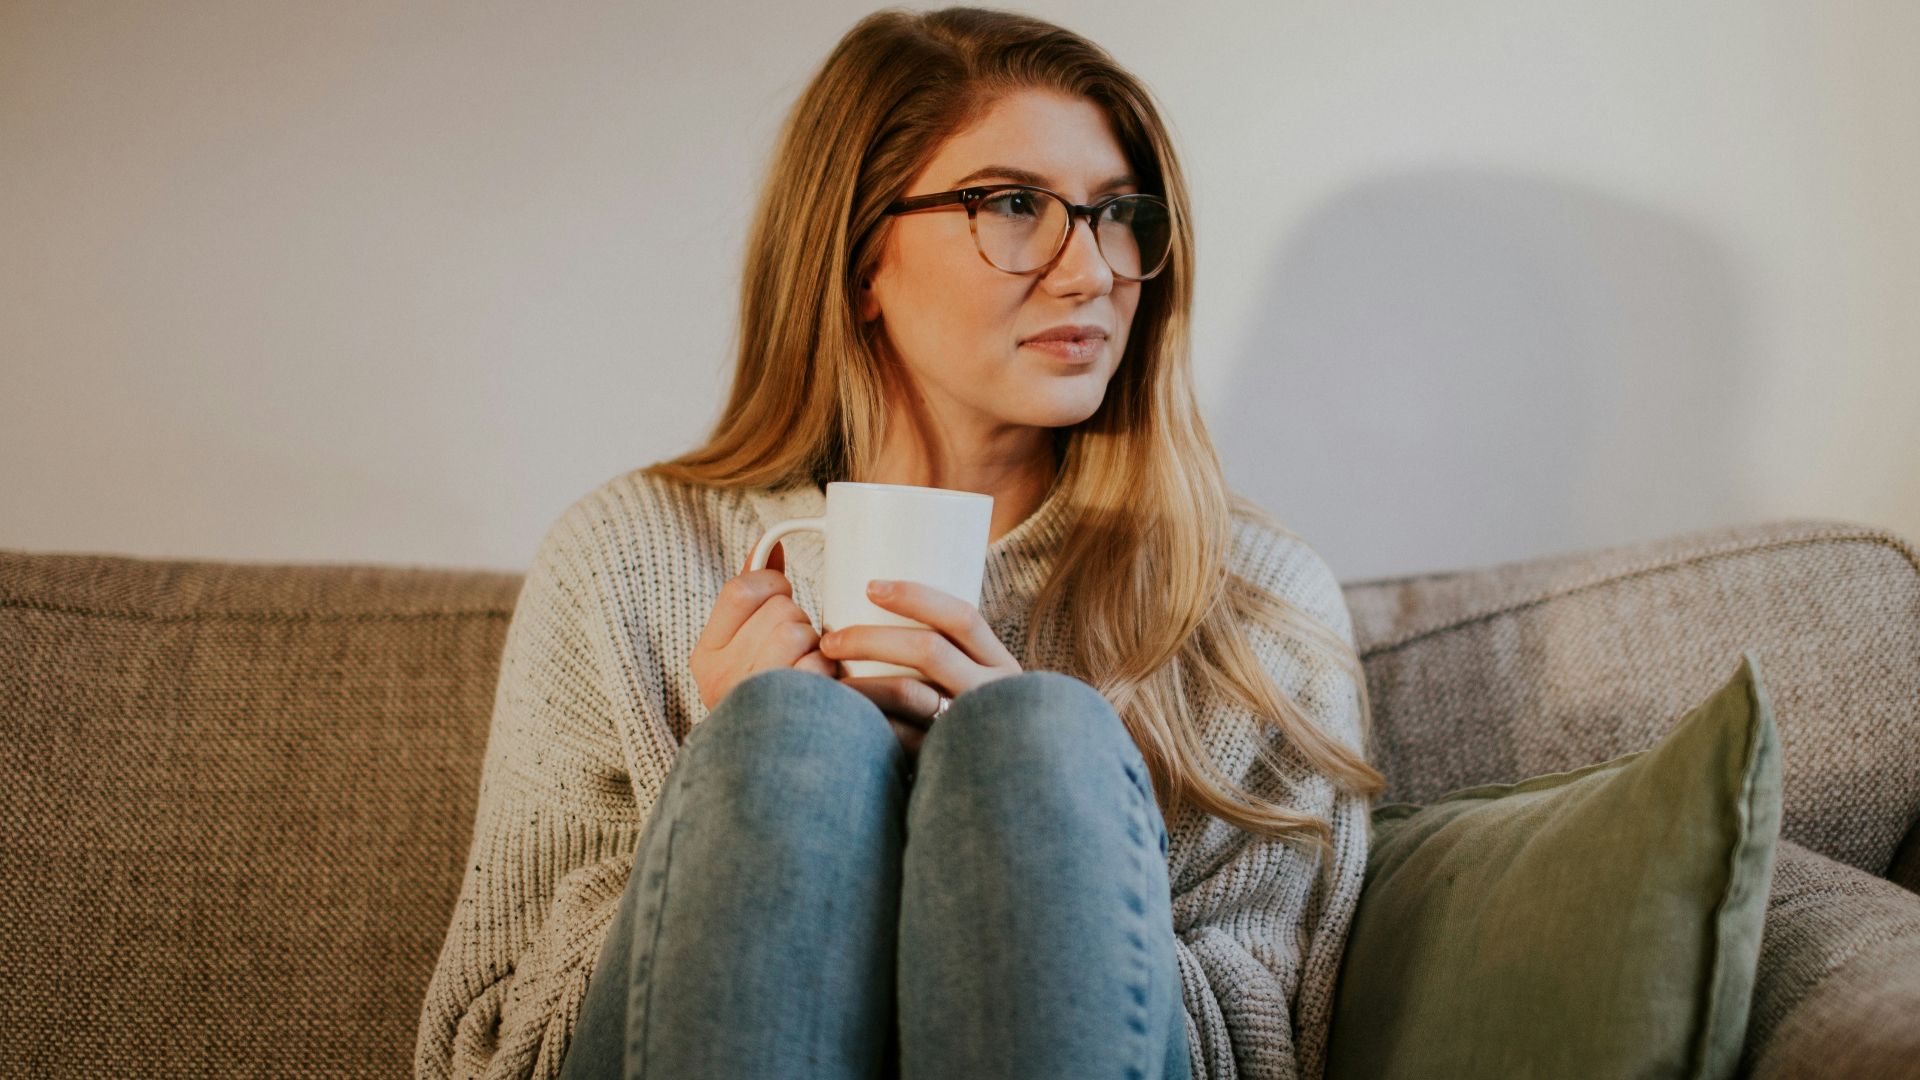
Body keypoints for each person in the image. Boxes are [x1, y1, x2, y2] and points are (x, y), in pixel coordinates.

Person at [414, 6, 1387, 1079]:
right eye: (1015, 206)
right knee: (788, 739)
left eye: (1117, 216)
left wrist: (1034, 828)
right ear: (862, 254)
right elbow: (488, 1053)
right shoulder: (627, 559)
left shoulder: (1245, 598)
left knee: (1035, 742)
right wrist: (735, 790)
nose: (1092, 272)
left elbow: (1268, 1053)